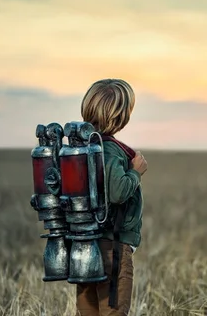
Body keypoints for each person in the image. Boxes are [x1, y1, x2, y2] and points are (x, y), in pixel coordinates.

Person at [76, 78, 148, 316]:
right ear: (121, 117)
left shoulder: (84, 148)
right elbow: (117, 191)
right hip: (112, 248)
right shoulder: (108, 149)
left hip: (86, 246)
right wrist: (135, 172)